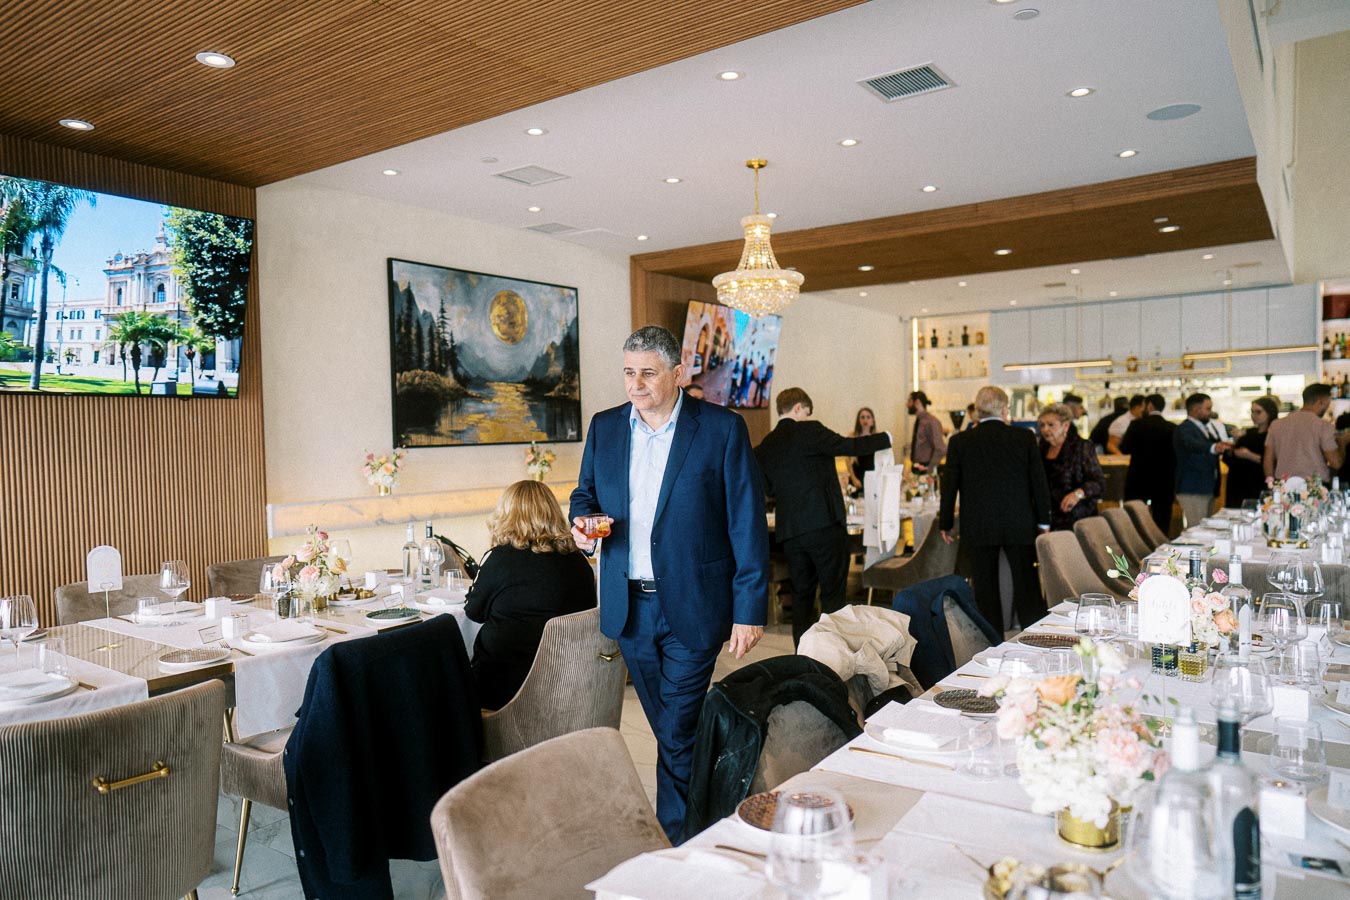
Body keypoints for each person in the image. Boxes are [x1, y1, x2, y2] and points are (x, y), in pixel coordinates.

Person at [569, 325, 768, 843]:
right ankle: (721, 803)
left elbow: (745, 521)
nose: (636, 385)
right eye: (629, 373)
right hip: (628, 606)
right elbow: (584, 494)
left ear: (677, 373)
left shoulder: (721, 429)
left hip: (696, 604)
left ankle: (676, 843)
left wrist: (749, 607)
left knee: (676, 731)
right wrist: (583, 524)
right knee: (671, 728)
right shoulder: (606, 427)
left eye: (648, 373)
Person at [755, 387, 892, 644]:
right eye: (806, 412)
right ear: (798, 408)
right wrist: (886, 437)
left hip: (792, 532)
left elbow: (769, 489)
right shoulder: (811, 430)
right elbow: (849, 446)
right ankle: (833, 655)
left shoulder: (765, 446)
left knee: (802, 597)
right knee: (832, 596)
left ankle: (804, 655)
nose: (807, 416)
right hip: (825, 526)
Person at [464, 480, 597, 711]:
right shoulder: (579, 561)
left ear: (506, 515)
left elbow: (473, 612)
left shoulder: (499, 559)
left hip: (506, 690)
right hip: (569, 686)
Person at [939, 386, 1051, 631]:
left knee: (985, 588)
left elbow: (949, 487)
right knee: (1026, 584)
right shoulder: (1024, 437)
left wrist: (946, 523)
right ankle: (1036, 636)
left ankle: (992, 643)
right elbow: (1038, 483)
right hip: (1018, 522)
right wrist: (1044, 521)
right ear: (1003, 410)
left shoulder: (960, 441)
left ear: (977, 412)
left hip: (979, 523)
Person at [1037, 403, 1105, 531]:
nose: (1045, 429)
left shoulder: (1081, 447)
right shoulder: (1040, 449)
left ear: (1066, 426)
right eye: (1042, 425)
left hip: (1077, 518)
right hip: (1048, 519)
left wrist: (1078, 494)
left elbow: (1099, 483)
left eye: (1051, 425)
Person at [1173, 393, 1234, 528]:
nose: (1210, 412)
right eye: (1208, 408)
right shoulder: (1184, 429)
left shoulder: (1206, 427)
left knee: (1205, 527)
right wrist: (1214, 447)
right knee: (1197, 528)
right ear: (1195, 409)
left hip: (1206, 487)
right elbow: (1193, 445)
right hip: (1193, 488)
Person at [1120, 393, 1177, 536]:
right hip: (1164, 480)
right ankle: (1162, 549)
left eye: (1143, 405)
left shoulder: (1136, 425)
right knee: (1162, 520)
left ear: (1150, 405)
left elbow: (1124, 448)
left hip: (1138, 479)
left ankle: (1137, 549)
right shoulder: (1172, 428)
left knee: (1136, 519)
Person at [1265, 382, 1342, 482]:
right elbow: (1336, 462)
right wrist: (1342, 442)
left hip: (1284, 484)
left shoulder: (1276, 425)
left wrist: (1271, 485)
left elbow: (1268, 459)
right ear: (1321, 402)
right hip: (1316, 487)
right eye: (1328, 403)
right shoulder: (1323, 426)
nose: (1328, 407)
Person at [1224, 396, 1279, 508]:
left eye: (1258, 412)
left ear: (1269, 413)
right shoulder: (1248, 433)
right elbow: (1229, 456)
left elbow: (1275, 460)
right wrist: (1234, 452)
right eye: (1252, 412)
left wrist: (1249, 455)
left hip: (1258, 482)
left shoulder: (1273, 435)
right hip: (1239, 484)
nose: (1254, 415)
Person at [907, 390, 946, 475]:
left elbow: (940, 449)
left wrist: (930, 470)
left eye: (909, 401)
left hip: (926, 468)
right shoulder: (919, 421)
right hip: (917, 467)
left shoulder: (931, 422)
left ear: (917, 402)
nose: (907, 405)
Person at [846, 406, 879, 492]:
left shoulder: (877, 438)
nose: (865, 420)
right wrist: (853, 478)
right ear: (858, 420)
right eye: (862, 417)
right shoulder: (852, 437)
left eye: (868, 417)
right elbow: (848, 460)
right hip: (857, 476)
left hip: (872, 477)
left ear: (873, 420)